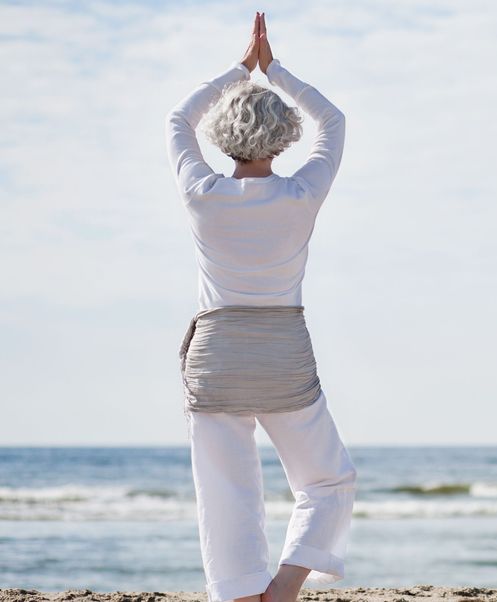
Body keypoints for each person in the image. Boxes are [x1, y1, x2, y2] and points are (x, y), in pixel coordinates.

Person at [163, 12, 357, 602]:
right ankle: (286, 588)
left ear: (223, 137)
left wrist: (239, 70)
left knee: (226, 490)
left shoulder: (202, 193)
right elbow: (334, 120)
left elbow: (178, 119)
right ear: (286, 136)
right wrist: (275, 70)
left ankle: (241, 595)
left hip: (216, 355)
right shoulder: (303, 193)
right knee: (328, 479)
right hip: (281, 354)